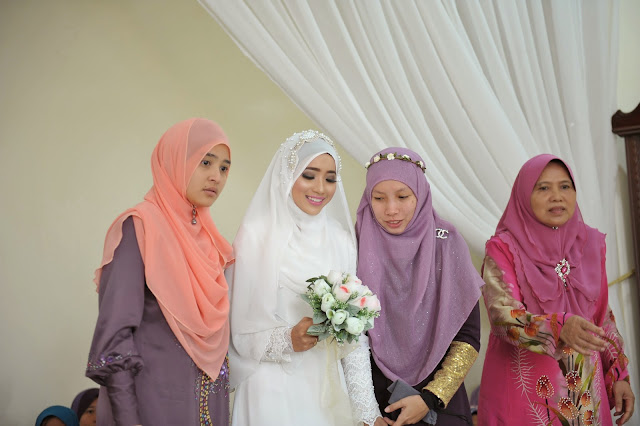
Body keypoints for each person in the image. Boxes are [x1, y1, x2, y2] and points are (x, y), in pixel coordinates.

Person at [228, 130, 383, 425]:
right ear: (288, 174)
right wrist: (287, 339)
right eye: (309, 175)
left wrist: (367, 410)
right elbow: (240, 334)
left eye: (330, 178)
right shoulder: (257, 236)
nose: (320, 188)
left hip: (326, 388)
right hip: (269, 388)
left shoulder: (341, 240)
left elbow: (353, 333)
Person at [85, 118, 234, 425]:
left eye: (224, 168)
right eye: (205, 162)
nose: (216, 177)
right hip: (151, 407)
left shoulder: (210, 243)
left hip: (207, 410)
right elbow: (115, 337)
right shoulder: (140, 227)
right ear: (175, 160)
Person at [477, 154, 635, 425]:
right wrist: (558, 326)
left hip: (586, 393)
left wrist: (618, 374)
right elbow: (503, 317)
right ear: (524, 195)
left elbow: (602, 316)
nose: (557, 197)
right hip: (525, 396)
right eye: (543, 188)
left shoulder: (589, 244)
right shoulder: (503, 247)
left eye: (565, 186)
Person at [356, 147, 483, 425]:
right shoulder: (354, 244)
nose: (391, 209)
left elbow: (468, 336)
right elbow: (349, 338)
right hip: (375, 409)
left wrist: (430, 398)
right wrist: (365, 410)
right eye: (379, 198)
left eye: (403, 196)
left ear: (421, 194)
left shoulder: (447, 243)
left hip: (440, 406)